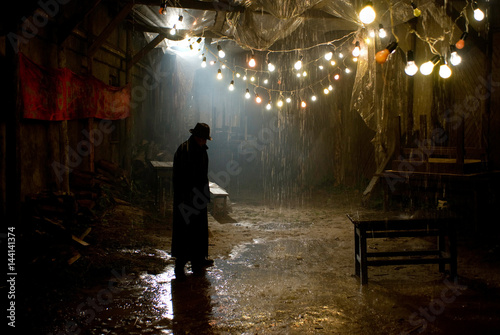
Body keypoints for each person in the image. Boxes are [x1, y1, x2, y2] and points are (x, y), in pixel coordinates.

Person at [172, 123, 214, 278]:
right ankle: (180, 265)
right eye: (203, 139)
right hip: (187, 198)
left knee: (199, 231)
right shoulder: (185, 150)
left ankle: (198, 260)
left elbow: (203, 175)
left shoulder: (200, 150)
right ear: (198, 137)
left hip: (199, 197)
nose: (205, 142)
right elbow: (181, 178)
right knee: (185, 232)